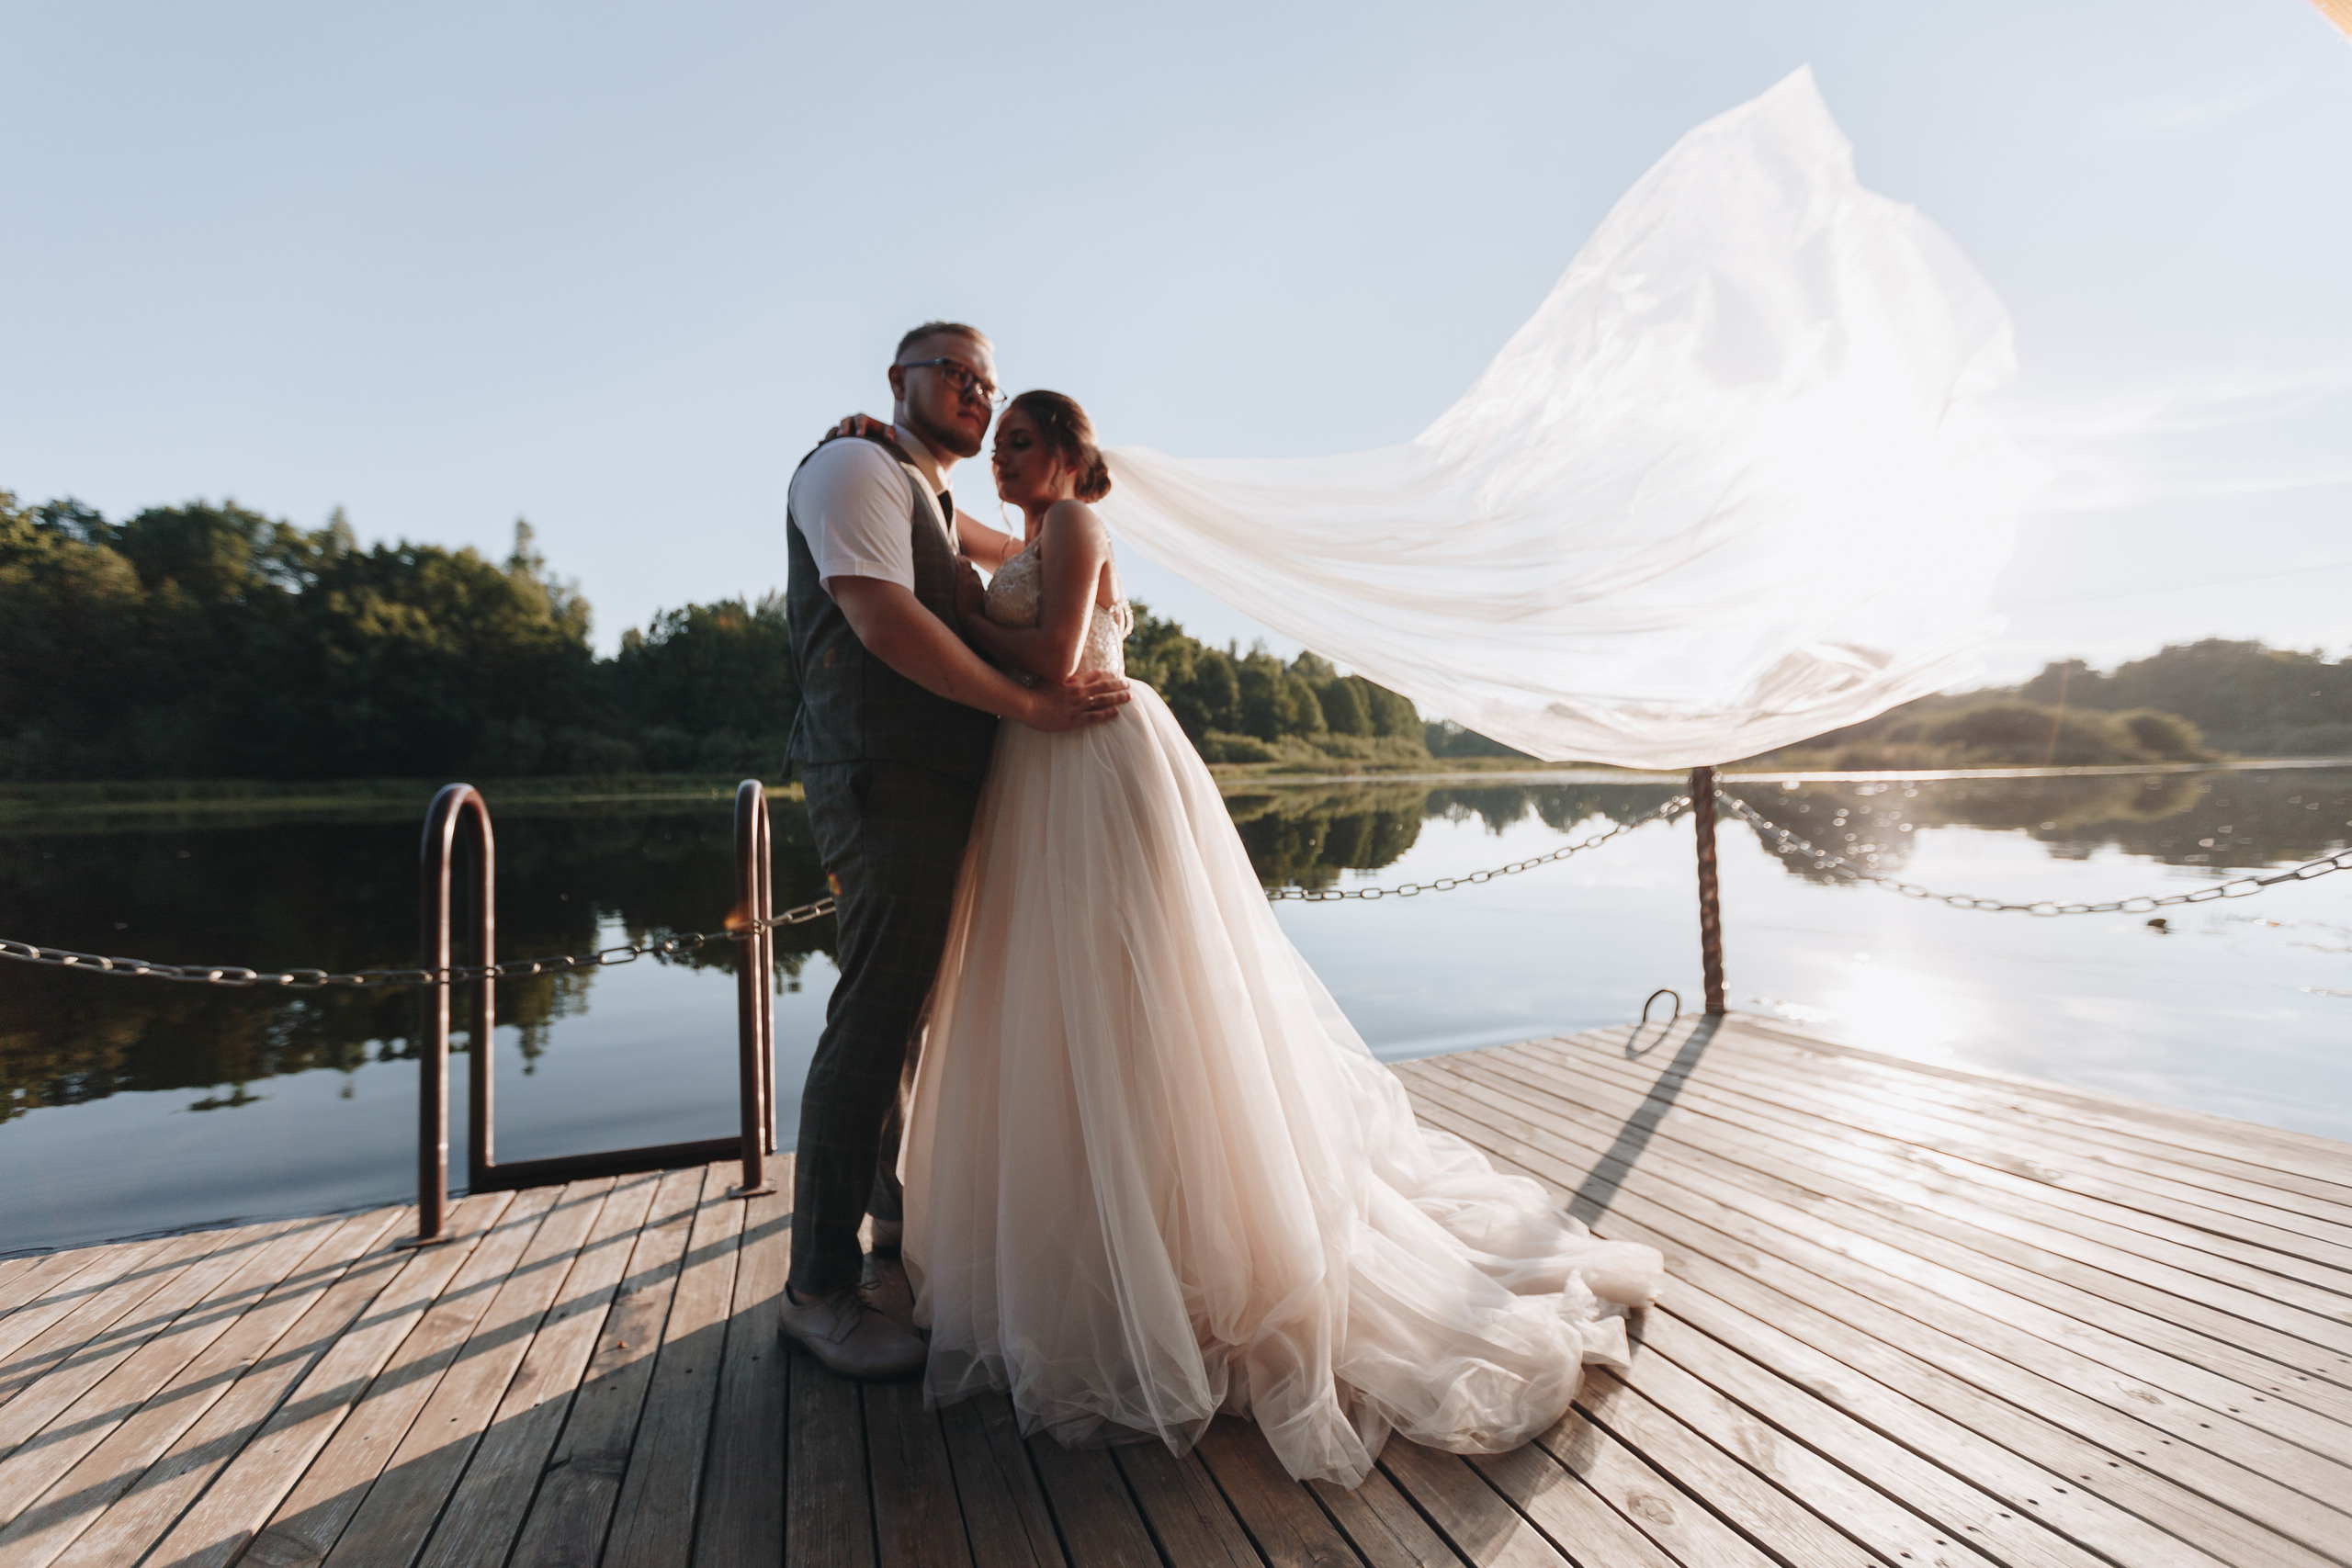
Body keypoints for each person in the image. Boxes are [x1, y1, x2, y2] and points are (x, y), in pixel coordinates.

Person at [896, 389, 1667, 1486]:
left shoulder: (1071, 524)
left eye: (1020, 442)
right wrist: (900, 471)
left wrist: (950, 618)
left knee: (1128, 999)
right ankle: (1109, 1253)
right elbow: (945, 529)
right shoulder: (1026, 531)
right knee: (1069, 1007)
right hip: (1039, 775)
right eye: (998, 444)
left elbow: (1061, 658)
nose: (1001, 458)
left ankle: (1170, 1259)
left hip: (1089, 763)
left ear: (1067, 454)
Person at [778, 325, 1130, 1380]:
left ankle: (893, 1238)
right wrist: (1027, 699)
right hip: (883, 777)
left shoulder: (929, 495)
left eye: (987, 383)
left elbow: (1000, 558)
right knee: (876, 1019)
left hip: (954, 785)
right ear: (899, 383)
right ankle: (818, 1290)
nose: (976, 394)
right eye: (955, 375)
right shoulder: (853, 465)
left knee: (911, 1023)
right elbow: (884, 623)